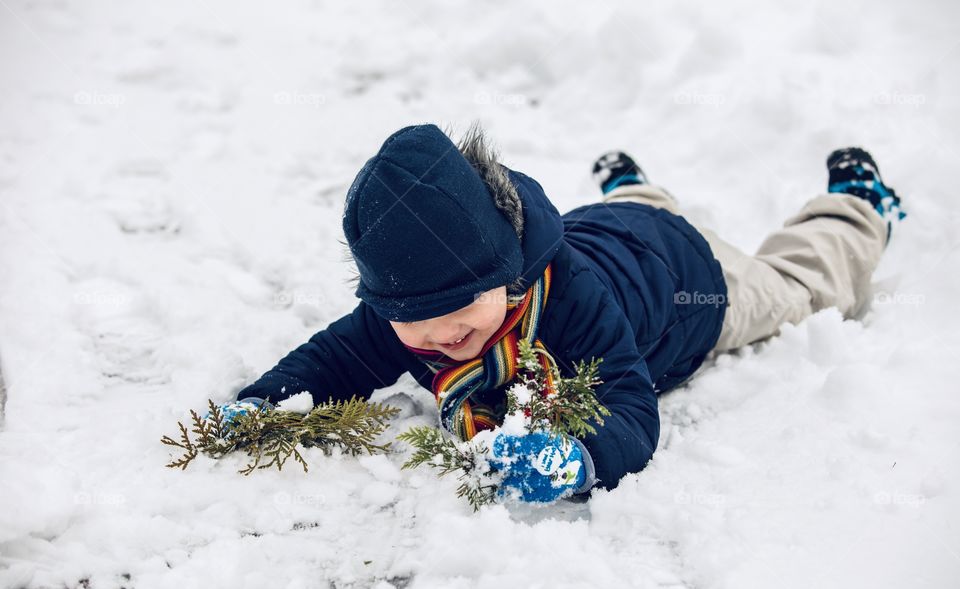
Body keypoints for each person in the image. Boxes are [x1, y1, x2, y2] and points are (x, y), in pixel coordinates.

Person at [219, 124, 905, 503]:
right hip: (613, 224)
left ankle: (855, 209)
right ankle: (637, 191)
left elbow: (630, 407)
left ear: (510, 274)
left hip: (697, 284)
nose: (442, 337)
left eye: (463, 313)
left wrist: (580, 456)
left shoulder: (572, 300)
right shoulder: (409, 311)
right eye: (416, 325)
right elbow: (335, 357)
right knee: (637, 215)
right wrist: (266, 401)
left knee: (799, 286)